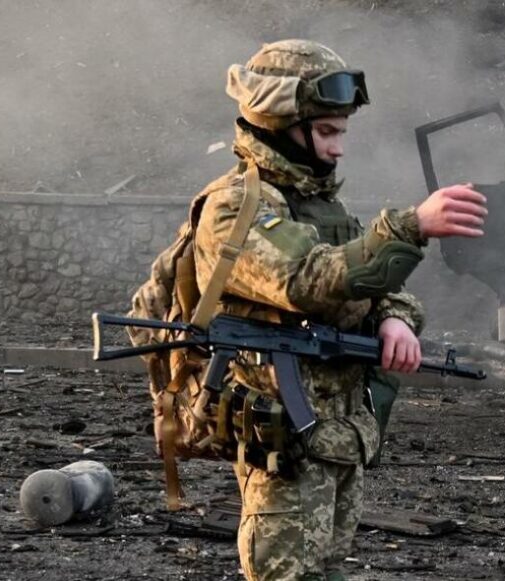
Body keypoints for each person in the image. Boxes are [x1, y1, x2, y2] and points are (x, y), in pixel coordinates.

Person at [198, 39, 487, 580]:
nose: (338, 148)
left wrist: (396, 318)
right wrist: (410, 227)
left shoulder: (319, 205)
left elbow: (370, 285)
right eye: (327, 132)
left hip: (337, 433)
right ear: (280, 121)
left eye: (341, 132)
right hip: (283, 437)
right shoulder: (237, 206)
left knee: (329, 569)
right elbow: (307, 280)